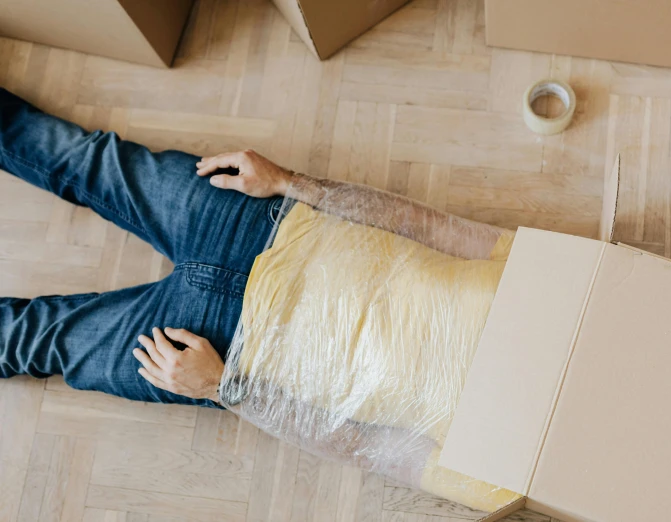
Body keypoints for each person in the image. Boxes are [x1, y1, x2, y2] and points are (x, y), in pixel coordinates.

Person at [0, 87, 520, 510]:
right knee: (86, 160)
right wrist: (290, 182)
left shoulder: (518, 472)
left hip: (215, 346)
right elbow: (422, 224)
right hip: (259, 218)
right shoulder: (570, 290)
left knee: (36, 337)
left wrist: (222, 387)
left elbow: (362, 446)